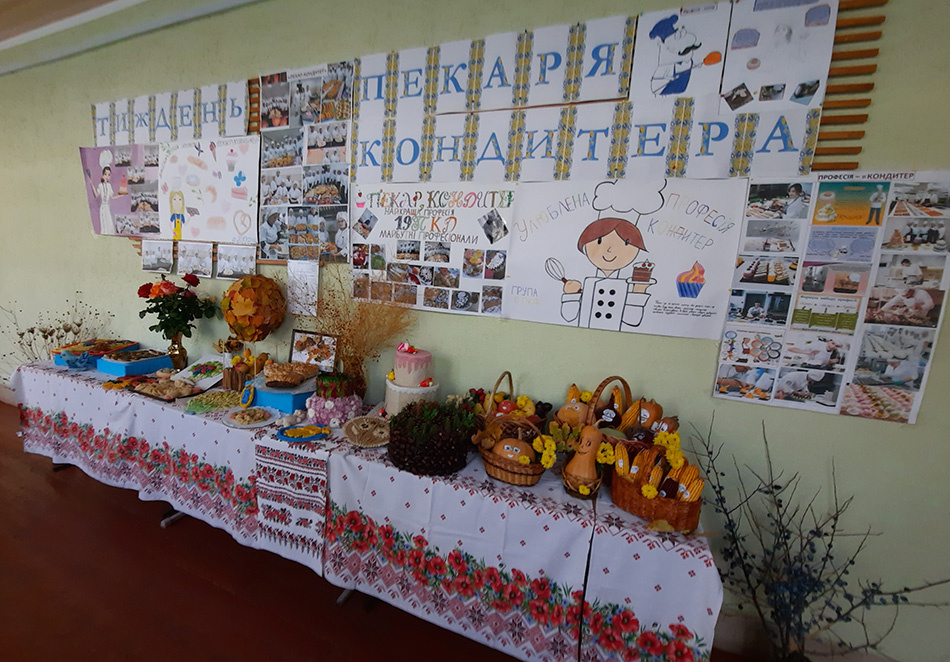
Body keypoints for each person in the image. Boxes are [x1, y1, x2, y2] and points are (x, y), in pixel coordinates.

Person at [561, 216, 653, 331]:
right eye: (599, 241)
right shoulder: (588, 283)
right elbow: (569, 317)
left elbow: (632, 320)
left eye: (625, 243)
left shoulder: (624, 285)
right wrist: (571, 295)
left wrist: (639, 291)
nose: (610, 250)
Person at [88, 166, 118, 234]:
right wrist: (91, 184)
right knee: (104, 223)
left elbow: (112, 197)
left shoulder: (109, 186)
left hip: (107, 207)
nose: (107, 176)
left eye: (108, 175)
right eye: (105, 174)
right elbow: (96, 195)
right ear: (102, 175)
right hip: (102, 207)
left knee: (109, 222)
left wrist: (121, 195)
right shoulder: (100, 185)